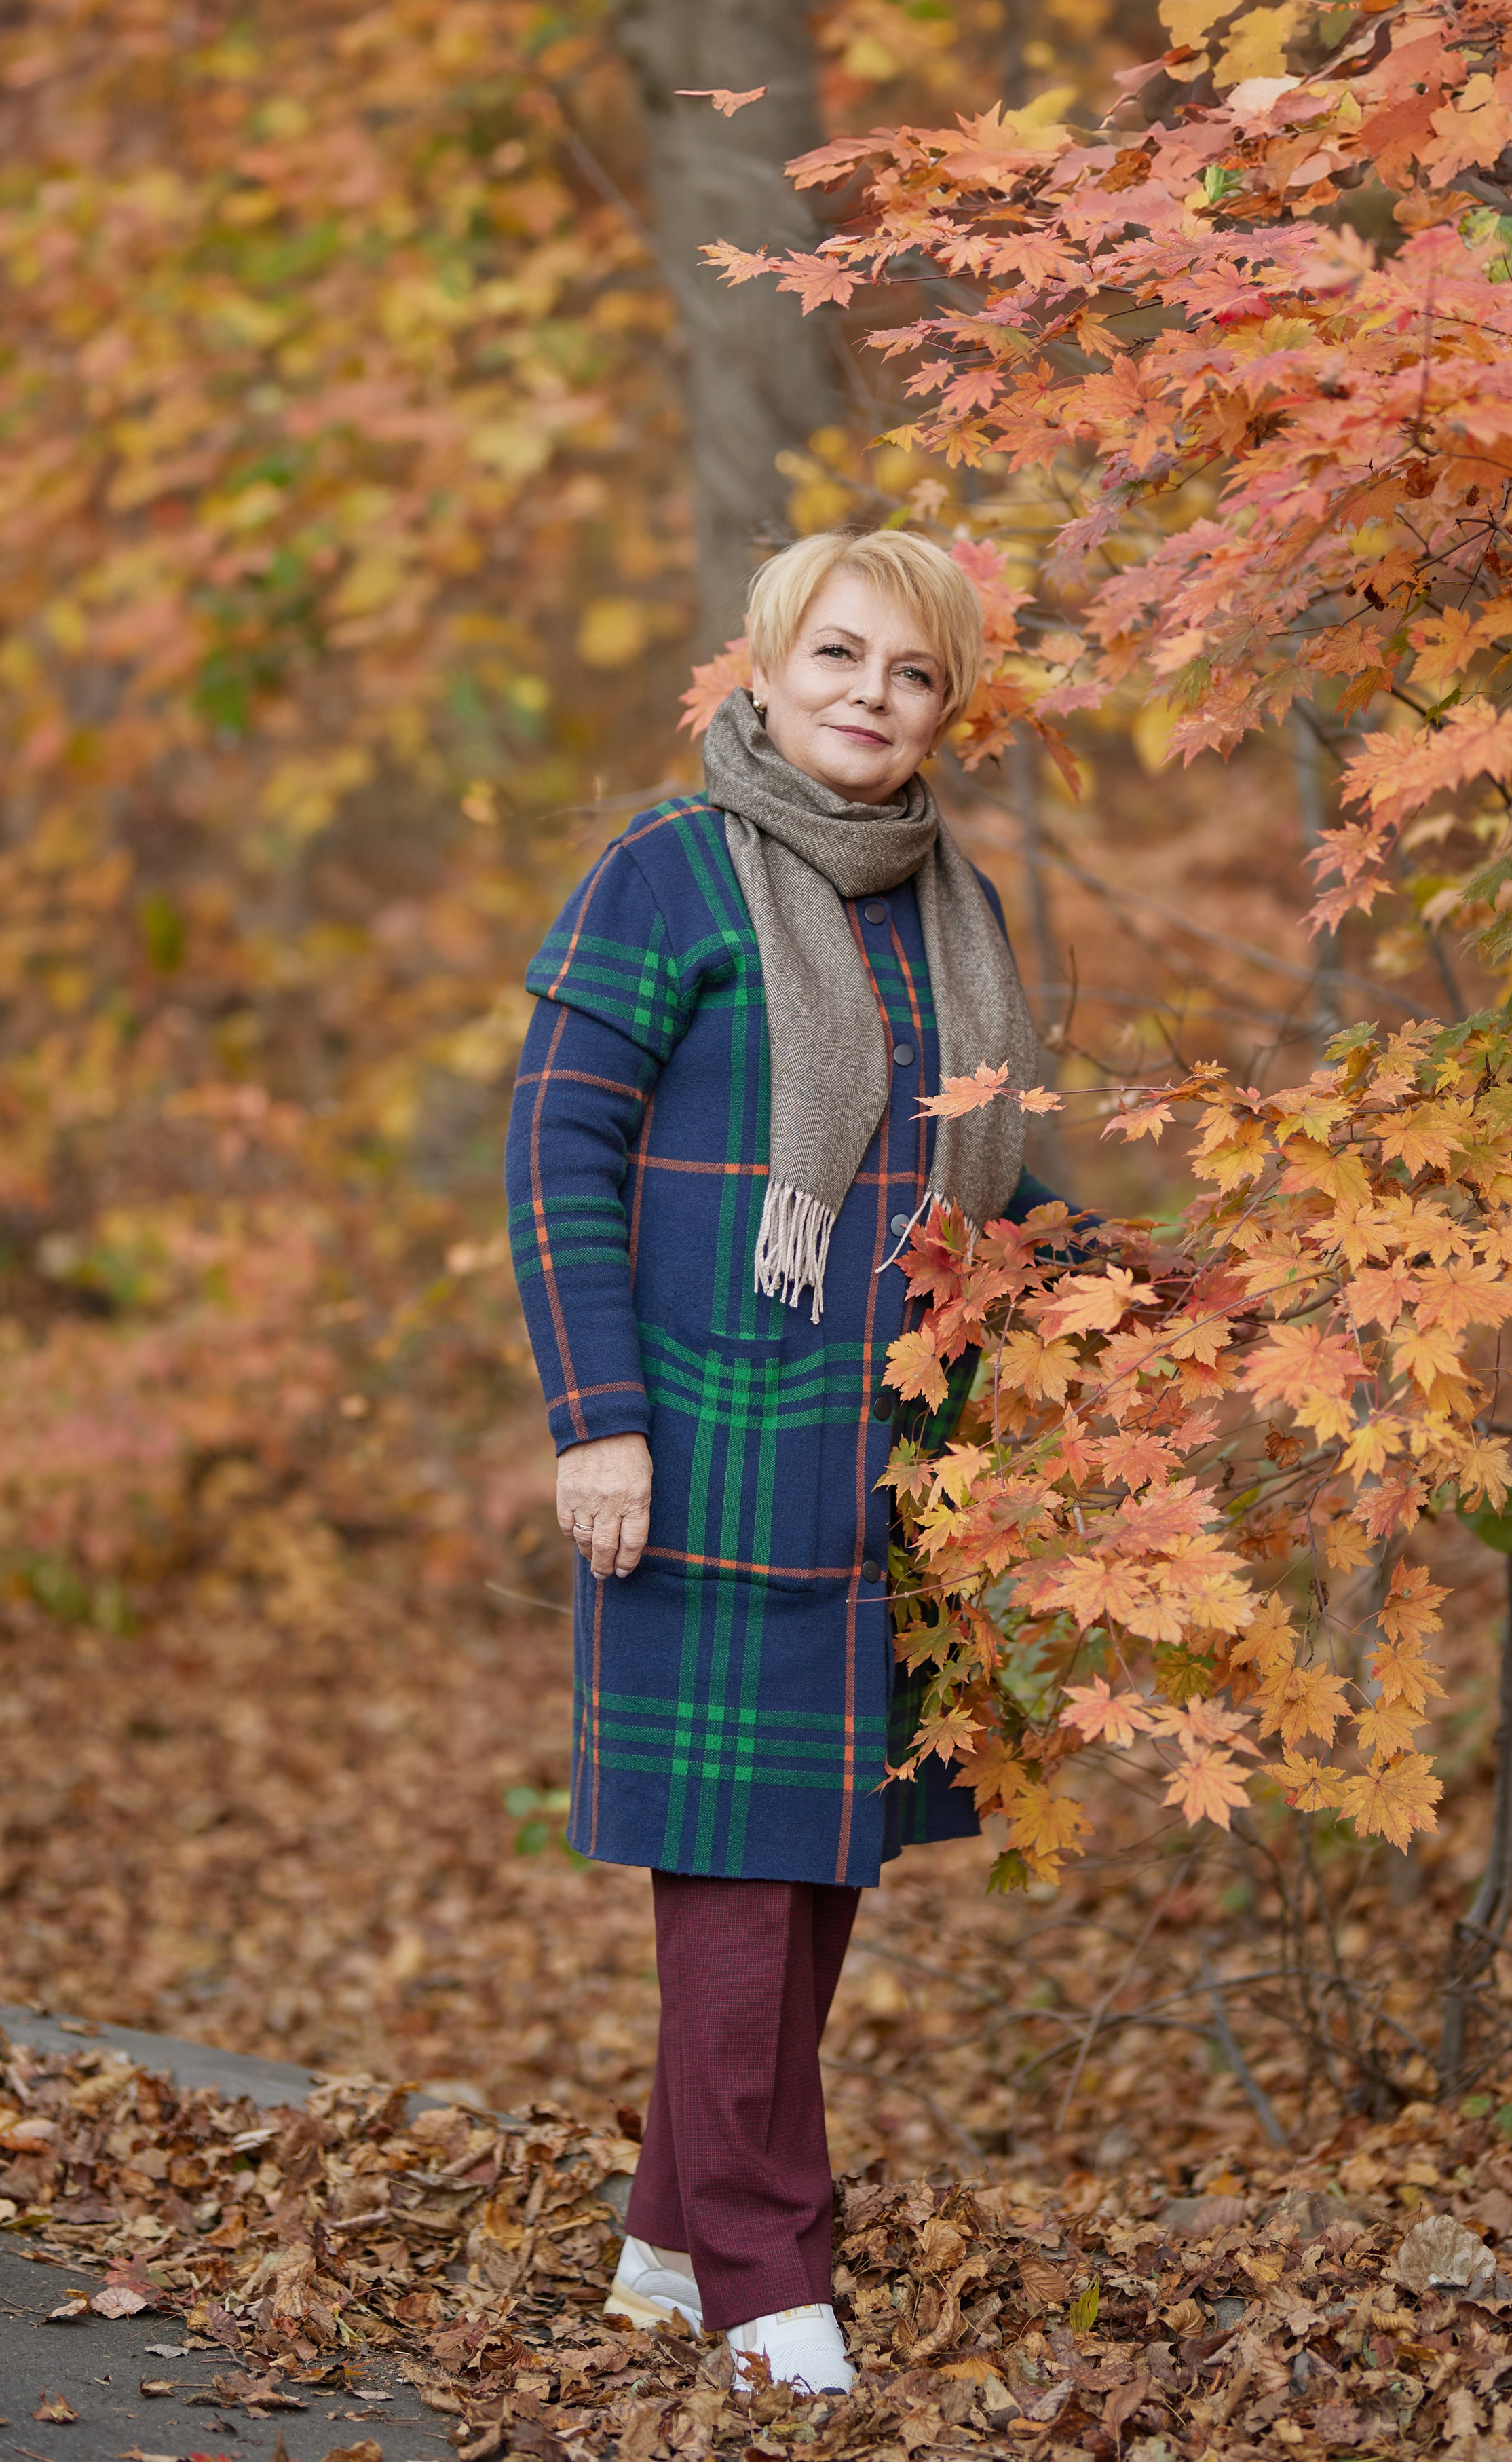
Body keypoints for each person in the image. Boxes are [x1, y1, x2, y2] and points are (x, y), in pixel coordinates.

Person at [504, 529, 1059, 2393]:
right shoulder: (666, 871)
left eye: (912, 673)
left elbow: (994, 1175)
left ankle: (674, 2243)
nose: (870, 697)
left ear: (946, 705)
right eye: (837, 655)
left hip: (894, 1461)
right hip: (710, 1445)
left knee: (816, 1876)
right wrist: (597, 1420)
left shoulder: (952, 908)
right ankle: (766, 2281)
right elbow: (556, 1155)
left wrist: (1151, 1292)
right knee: (738, 1879)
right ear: (765, 661)